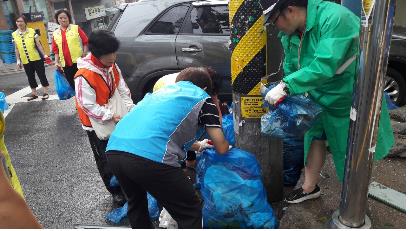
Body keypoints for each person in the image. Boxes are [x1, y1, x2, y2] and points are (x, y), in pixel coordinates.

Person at [263, 0, 394, 203]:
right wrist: (288, 92)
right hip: (314, 96)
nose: (275, 26)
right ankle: (309, 188)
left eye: (274, 20)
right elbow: (291, 64)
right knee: (313, 138)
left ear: (290, 10)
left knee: (349, 150)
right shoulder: (291, 32)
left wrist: (287, 86)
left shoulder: (334, 18)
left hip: (346, 96)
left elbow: (324, 65)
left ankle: (354, 200)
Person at [106, 67, 230, 228]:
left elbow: (161, 133)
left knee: (137, 205)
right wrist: (215, 104)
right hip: (149, 158)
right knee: (190, 210)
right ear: (205, 88)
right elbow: (221, 147)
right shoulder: (203, 99)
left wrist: (198, 145)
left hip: (115, 150)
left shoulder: (158, 94)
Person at [74, 30, 134, 206]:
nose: (113, 57)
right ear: (96, 53)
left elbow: (123, 89)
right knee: (105, 158)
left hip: (115, 117)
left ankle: (127, 185)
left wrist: (130, 109)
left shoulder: (112, 66)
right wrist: (108, 115)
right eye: (108, 54)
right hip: (95, 124)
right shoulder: (84, 75)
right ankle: (115, 191)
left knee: (122, 153)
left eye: (114, 52)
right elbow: (87, 105)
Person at [12, 15, 50, 101]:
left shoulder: (32, 32)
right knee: (30, 77)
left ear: (25, 22)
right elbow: (16, 49)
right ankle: (34, 93)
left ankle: (45, 92)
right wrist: (18, 60)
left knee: (41, 75)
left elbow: (38, 45)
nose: (19, 23)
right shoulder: (14, 34)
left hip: (36, 58)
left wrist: (44, 55)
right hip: (25, 60)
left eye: (21, 21)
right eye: (17, 21)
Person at [52, 9, 88, 90]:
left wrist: (84, 53)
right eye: (60, 18)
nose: (63, 20)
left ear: (69, 18)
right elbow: (56, 50)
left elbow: (86, 41)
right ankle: (78, 100)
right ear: (57, 19)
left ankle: (85, 100)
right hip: (66, 64)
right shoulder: (55, 33)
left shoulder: (76, 28)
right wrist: (56, 62)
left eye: (65, 17)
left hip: (78, 62)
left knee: (82, 83)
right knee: (72, 84)